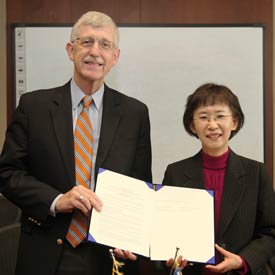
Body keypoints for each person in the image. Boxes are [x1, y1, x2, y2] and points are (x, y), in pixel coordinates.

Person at [0, 11, 152, 275]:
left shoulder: (134, 114)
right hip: (46, 251)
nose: (95, 52)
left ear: (115, 57)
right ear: (71, 50)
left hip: (108, 255)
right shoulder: (34, 107)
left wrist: (130, 238)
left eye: (105, 44)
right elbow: (7, 173)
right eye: (86, 42)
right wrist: (56, 200)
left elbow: (138, 186)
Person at [163, 83, 275, 275]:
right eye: (204, 117)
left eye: (220, 116)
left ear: (234, 122)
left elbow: (270, 232)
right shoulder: (175, 173)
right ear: (192, 125)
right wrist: (171, 258)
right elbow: (165, 230)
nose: (212, 125)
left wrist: (242, 260)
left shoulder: (256, 172)